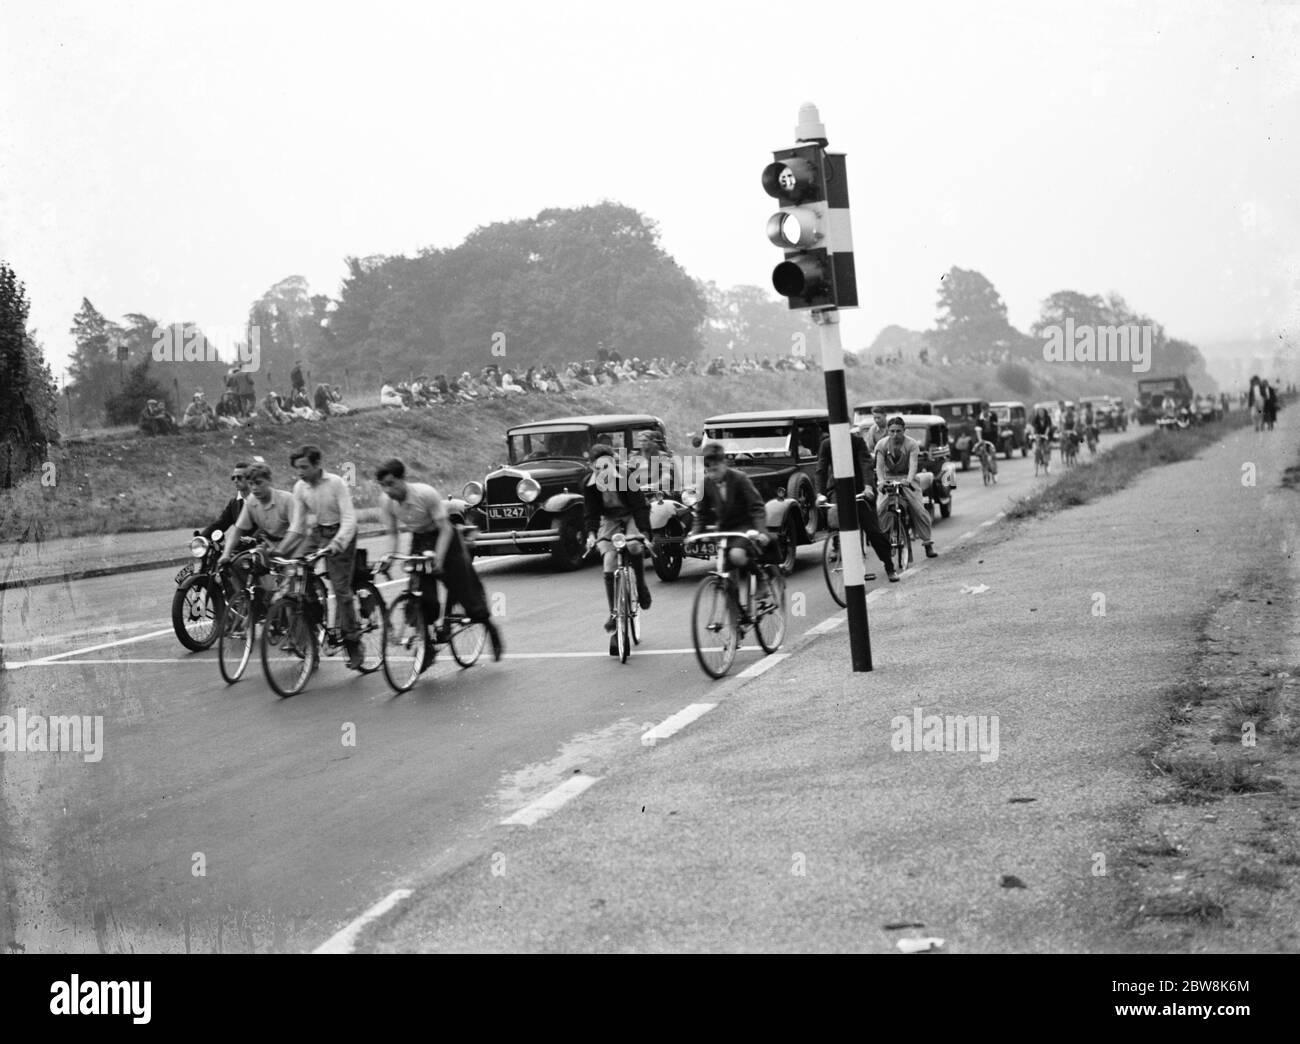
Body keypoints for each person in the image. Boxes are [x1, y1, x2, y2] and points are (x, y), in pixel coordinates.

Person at [376, 458, 502, 669]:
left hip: (444, 538)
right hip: (420, 539)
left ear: (402, 479)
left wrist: (439, 559)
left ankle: (490, 628)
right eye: (383, 486)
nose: (388, 490)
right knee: (421, 597)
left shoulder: (425, 494)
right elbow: (392, 533)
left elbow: (445, 529)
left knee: (465, 589)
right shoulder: (386, 501)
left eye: (391, 484)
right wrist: (389, 556)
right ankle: (427, 647)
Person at [276, 445, 365, 670]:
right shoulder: (300, 487)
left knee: (341, 588)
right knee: (296, 572)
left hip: (342, 533)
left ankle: (353, 642)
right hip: (318, 532)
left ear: (317, 465)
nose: (300, 472)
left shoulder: (336, 483)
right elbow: (297, 524)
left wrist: (338, 543)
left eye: (305, 467)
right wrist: (281, 550)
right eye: (297, 468)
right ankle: (309, 631)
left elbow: (349, 518)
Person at [689, 441, 774, 620]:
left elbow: (757, 507)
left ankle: (761, 577)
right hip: (725, 529)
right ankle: (735, 621)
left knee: (736, 555)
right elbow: (701, 513)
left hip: (745, 527)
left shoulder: (740, 478)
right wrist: (695, 533)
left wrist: (761, 531)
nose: (712, 474)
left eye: (715, 469)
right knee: (726, 577)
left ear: (724, 464)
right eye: (708, 470)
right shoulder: (705, 484)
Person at [583, 445, 653, 650]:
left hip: (631, 515)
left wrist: (644, 533)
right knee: (609, 561)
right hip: (610, 520)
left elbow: (640, 506)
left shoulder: (626, 476)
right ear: (593, 467)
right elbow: (591, 513)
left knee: (633, 546)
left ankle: (640, 585)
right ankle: (615, 615)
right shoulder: (589, 484)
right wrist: (590, 534)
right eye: (599, 467)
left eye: (608, 465)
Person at [815, 426, 897, 582]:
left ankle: (889, 566)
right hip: (838, 490)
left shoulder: (857, 442)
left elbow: (865, 464)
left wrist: (867, 486)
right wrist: (820, 494)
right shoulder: (826, 444)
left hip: (861, 490)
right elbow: (821, 470)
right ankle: (838, 546)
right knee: (836, 522)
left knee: (873, 531)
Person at [217, 462, 294, 604]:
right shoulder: (252, 501)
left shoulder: (286, 499)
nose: (254, 488)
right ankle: (254, 605)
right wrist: (226, 554)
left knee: (289, 594)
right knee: (239, 564)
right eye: (251, 484)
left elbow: (298, 531)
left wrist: (282, 550)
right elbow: (238, 530)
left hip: (294, 546)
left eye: (259, 483)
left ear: (269, 481)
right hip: (270, 546)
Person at [874, 416, 937, 558]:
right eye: (892, 431)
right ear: (888, 431)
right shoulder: (881, 445)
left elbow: (913, 465)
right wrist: (881, 481)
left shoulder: (912, 444)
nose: (895, 435)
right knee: (879, 509)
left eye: (898, 431)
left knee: (919, 509)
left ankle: (927, 544)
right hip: (888, 479)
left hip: (907, 479)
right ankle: (886, 540)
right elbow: (879, 467)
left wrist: (908, 480)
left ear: (904, 430)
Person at [201, 462, 252, 541]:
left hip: (262, 548)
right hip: (240, 549)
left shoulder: (261, 500)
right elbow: (221, 524)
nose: (235, 480)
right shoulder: (234, 503)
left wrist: (255, 538)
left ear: (250, 478)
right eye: (233, 478)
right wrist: (200, 537)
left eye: (239, 477)